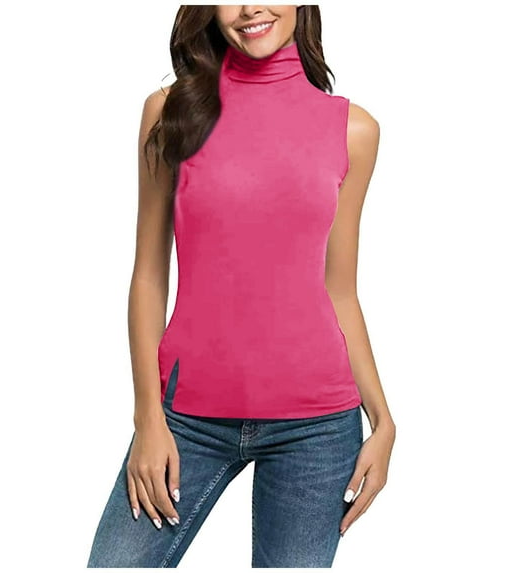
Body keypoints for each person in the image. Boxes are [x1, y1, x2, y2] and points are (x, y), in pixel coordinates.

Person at [87, 4, 396, 568]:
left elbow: (340, 291)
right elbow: (149, 275)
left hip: (317, 429)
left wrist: (383, 419)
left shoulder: (354, 130)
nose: (252, 7)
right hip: (186, 420)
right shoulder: (171, 112)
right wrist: (147, 418)